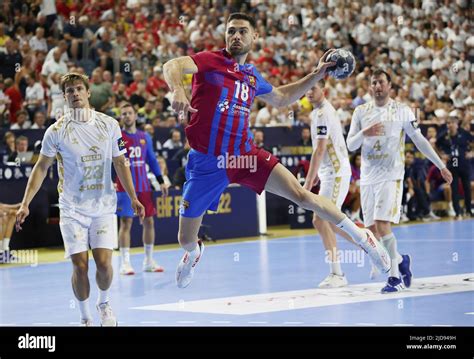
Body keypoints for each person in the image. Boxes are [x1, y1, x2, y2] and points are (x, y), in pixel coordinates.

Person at [163, 12, 391, 289]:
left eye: (242, 31)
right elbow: (172, 65)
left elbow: (282, 98)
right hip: (206, 163)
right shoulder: (211, 61)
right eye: (231, 31)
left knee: (301, 194)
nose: (236, 36)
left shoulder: (251, 75)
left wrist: (316, 75)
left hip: (243, 155)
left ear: (254, 37)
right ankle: (195, 252)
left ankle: (363, 239)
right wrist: (177, 89)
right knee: (185, 239)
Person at [15, 73, 145, 326]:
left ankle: (103, 303)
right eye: (69, 91)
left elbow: (120, 161)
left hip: (103, 206)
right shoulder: (56, 131)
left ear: (88, 93)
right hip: (72, 208)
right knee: (80, 266)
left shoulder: (109, 125)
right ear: (64, 97)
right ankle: (85, 317)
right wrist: (25, 203)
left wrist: (134, 197)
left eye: (78, 89)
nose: (74, 94)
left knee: (105, 266)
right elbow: (41, 167)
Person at [347, 68, 452, 293]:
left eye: (381, 82)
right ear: (370, 86)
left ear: (390, 86)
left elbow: (419, 140)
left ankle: (394, 277)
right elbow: (350, 146)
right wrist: (366, 132)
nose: (377, 86)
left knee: (383, 225)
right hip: (367, 178)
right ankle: (401, 260)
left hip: (391, 175)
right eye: (373, 83)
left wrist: (441, 165)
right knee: (372, 230)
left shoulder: (402, 111)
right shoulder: (360, 112)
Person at [303, 80, 356, 288]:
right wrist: (317, 174)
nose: (308, 92)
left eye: (313, 88)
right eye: (306, 89)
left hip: (336, 172)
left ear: (323, 91)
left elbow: (320, 149)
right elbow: (319, 147)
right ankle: (372, 245)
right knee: (330, 221)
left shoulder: (323, 112)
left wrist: (308, 182)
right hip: (329, 172)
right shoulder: (316, 113)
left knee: (320, 219)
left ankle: (338, 274)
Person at [116, 102, 168, 275]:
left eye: (129, 113)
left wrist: (161, 180)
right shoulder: (119, 138)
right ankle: (124, 262)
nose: (127, 116)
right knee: (126, 222)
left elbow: (152, 160)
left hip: (144, 186)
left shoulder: (145, 136)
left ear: (135, 116)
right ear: (120, 118)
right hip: (124, 187)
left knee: (149, 221)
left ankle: (148, 260)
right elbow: (117, 160)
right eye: (123, 114)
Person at [436, 115, 472, 219]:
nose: (450, 125)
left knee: (467, 188)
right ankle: (458, 212)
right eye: (448, 123)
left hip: (464, 164)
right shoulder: (444, 136)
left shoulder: (464, 134)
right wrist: (441, 155)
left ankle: (468, 210)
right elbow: (435, 144)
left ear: (457, 124)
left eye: (452, 123)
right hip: (452, 166)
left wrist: (472, 153)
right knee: (454, 189)